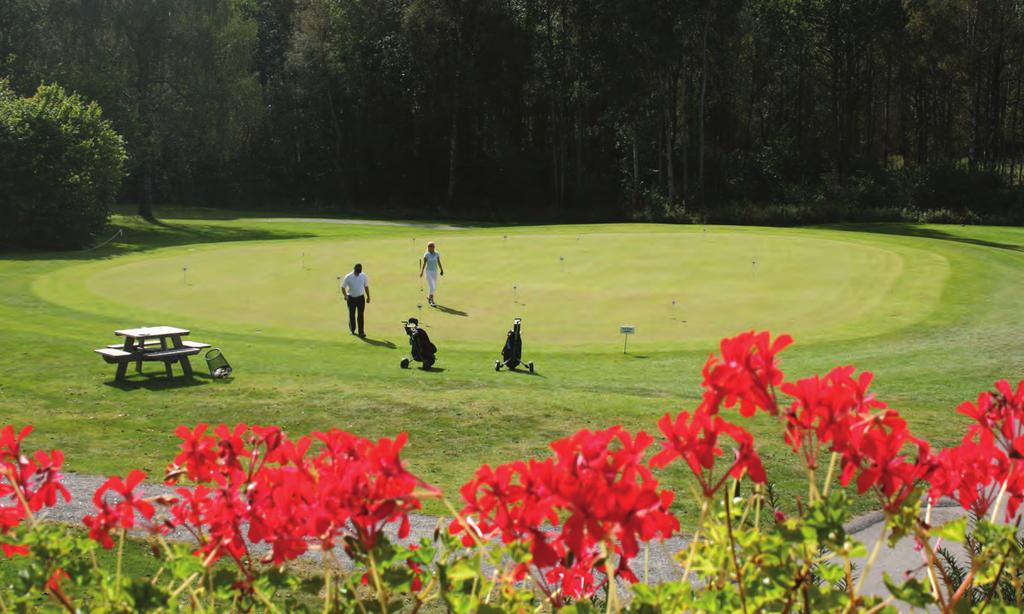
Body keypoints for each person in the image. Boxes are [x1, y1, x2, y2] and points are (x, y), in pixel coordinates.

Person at [341, 263, 370, 337]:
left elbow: (366, 286)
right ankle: (352, 330)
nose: (358, 273)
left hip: (361, 298)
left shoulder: (363, 275)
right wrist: (345, 296)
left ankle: (361, 332)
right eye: (357, 271)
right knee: (352, 314)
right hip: (351, 298)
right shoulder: (348, 276)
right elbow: (343, 287)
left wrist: (368, 296)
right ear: (354, 269)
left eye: (359, 272)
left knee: (360, 315)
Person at [419, 241, 444, 306]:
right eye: (429, 246)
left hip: (435, 271)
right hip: (428, 272)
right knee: (432, 286)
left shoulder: (437, 254)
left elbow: (438, 262)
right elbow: (424, 264)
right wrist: (421, 272)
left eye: (432, 246)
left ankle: (429, 297)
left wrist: (441, 269)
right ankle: (431, 300)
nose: (431, 247)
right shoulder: (426, 255)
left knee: (434, 286)